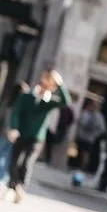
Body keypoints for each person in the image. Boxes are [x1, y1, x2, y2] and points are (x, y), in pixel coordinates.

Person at [5, 68, 72, 201]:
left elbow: (66, 102)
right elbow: (16, 113)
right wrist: (14, 128)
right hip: (21, 134)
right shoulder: (26, 97)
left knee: (27, 162)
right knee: (15, 161)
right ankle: (12, 187)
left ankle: (21, 187)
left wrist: (59, 84)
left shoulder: (48, 102)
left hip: (37, 138)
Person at [72, 97, 107, 176]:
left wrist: (95, 134)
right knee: (80, 153)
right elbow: (80, 122)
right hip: (82, 137)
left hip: (89, 139)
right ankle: (78, 167)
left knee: (85, 154)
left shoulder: (99, 117)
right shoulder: (86, 113)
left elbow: (102, 129)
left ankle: (82, 169)